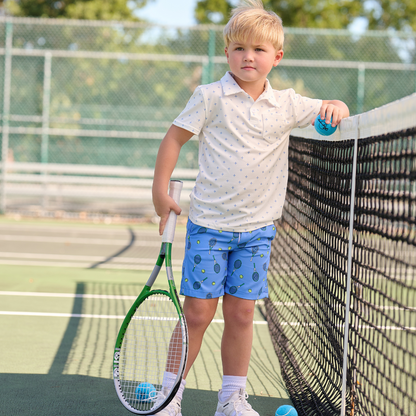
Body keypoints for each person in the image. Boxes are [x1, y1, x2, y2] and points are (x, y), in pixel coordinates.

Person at [152, 0, 350, 415]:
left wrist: (338, 108)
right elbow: (173, 139)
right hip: (209, 226)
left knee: (242, 315)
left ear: (276, 57)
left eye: (258, 50)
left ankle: (231, 399)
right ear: (227, 52)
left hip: (258, 232)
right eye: (239, 48)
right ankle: (169, 396)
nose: (248, 56)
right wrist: (159, 190)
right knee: (197, 314)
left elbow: (332, 112)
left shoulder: (288, 105)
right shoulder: (209, 97)